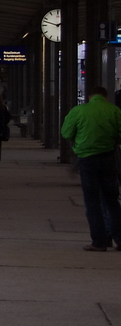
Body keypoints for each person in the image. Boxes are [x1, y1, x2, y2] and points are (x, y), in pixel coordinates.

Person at [60, 85, 121, 251]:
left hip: (87, 159)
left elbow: (66, 133)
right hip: (109, 158)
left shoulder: (78, 111)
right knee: (112, 200)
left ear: (90, 97)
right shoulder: (114, 111)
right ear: (106, 97)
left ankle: (99, 242)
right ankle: (119, 238)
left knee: (92, 202)